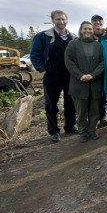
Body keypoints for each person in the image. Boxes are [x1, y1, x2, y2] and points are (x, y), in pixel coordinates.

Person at [30, 10, 78, 142]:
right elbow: (35, 54)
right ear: (52, 20)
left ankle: (70, 126)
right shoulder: (43, 36)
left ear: (67, 20)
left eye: (63, 19)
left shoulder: (73, 37)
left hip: (69, 76)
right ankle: (54, 131)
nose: (61, 22)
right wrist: (42, 70)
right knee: (51, 104)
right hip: (52, 75)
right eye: (58, 19)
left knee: (70, 103)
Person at [64, 21, 104, 143]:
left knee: (94, 110)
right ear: (81, 30)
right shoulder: (73, 44)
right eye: (85, 29)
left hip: (95, 83)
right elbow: (68, 61)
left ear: (93, 31)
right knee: (81, 111)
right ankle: (83, 131)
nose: (87, 31)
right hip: (79, 83)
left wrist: (92, 75)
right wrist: (80, 75)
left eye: (90, 29)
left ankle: (92, 130)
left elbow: (103, 63)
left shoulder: (98, 45)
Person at [91, 14, 107, 127]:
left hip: (106, 69)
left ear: (103, 22)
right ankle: (94, 119)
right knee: (94, 95)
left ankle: (103, 117)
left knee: (104, 95)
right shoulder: (88, 35)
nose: (97, 23)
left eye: (99, 21)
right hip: (92, 70)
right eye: (95, 21)